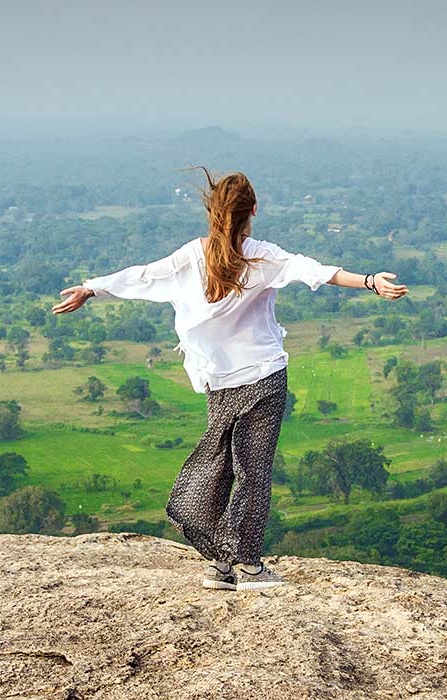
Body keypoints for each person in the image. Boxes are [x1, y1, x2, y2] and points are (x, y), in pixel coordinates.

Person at [52, 168, 408, 591]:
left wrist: (91, 289)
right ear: (253, 210)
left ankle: (220, 566)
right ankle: (249, 567)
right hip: (264, 377)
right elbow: (317, 271)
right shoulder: (262, 255)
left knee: (220, 464)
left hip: (219, 381)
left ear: (213, 211)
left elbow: (144, 276)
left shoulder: (192, 256)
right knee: (252, 470)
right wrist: (371, 282)